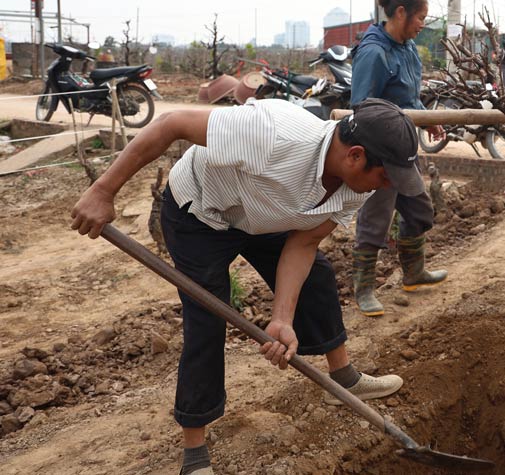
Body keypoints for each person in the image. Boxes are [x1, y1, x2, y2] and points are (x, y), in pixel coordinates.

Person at [69, 97, 420, 475]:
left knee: (316, 276)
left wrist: (282, 319)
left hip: (265, 216)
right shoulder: (271, 134)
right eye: (385, 176)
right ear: (355, 155)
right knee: (206, 317)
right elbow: (170, 124)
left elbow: (302, 243)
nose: (386, 187)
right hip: (201, 213)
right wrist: (103, 191)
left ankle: (344, 379)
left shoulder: (357, 186)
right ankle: (194, 453)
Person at [349, 0, 447, 317]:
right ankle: (364, 288)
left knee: (419, 209)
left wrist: (426, 119)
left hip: (404, 144)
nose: (422, 24)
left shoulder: (408, 49)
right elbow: (360, 106)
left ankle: (413, 272)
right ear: (401, 13)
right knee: (376, 217)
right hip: (379, 148)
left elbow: (410, 96)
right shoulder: (373, 52)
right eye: (420, 17)